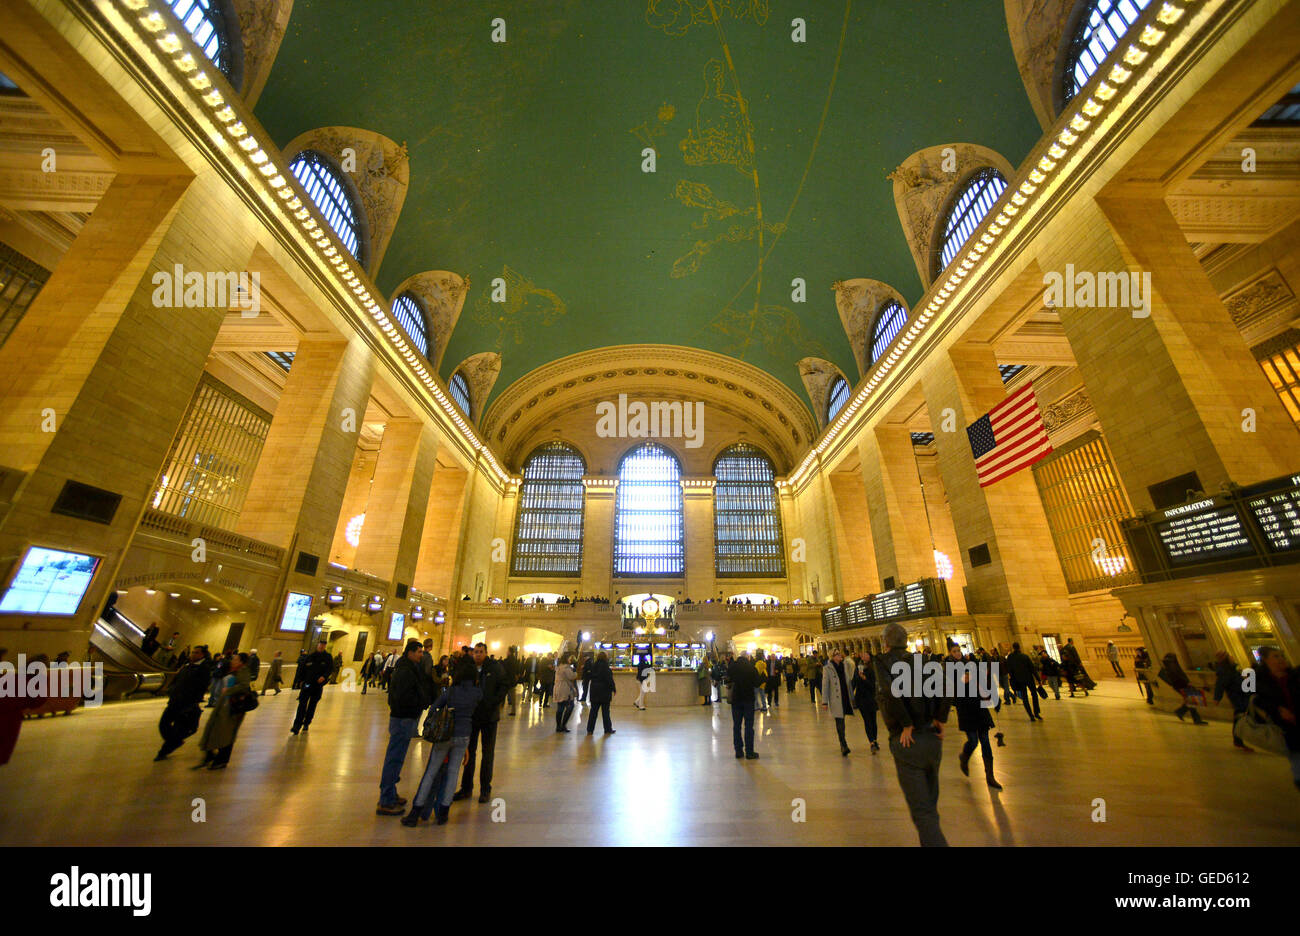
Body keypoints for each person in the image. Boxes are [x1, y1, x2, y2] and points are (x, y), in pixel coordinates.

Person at [876, 621, 950, 847]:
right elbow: (947, 687)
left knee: (922, 812)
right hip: (932, 738)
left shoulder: (884, 662)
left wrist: (907, 724)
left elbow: (890, 693)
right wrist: (941, 718)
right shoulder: (923, 661)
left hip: (908, 742)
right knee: (930, 808)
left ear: (886, 643)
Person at [404, 660, 482, 826]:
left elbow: (434, 708)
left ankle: (416, 811)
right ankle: (443, 812)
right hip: (464, 736)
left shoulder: (452, 692)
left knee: (431, 772)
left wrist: (432, 723)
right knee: (453, 773)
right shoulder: (477, 693)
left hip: (446, 735)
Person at [376, 640, 430, 816]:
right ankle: (385, 800)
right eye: (419, 652)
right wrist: (419, 704)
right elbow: (402, 696)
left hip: (404, 717)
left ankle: (391, 793)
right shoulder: (406, 670)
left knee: (397, 759)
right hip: (403, 718)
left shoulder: (408, 667)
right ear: (410, 652)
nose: (421, 655)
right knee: (394, 759)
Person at [454, 642, 509, 804]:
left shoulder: (494, 667)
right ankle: (466, 788)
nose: (477, 654)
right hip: (471, 717)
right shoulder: (469, 667)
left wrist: (494, 702)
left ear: (486, 653)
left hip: (489, 717)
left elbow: (504, 685)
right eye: (476, 652)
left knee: (487, 753)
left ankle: (485, 789)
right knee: (469, 753)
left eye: (480, 652)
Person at [948, 642, 1001, 790]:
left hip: (978, 705)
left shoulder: (970, 664)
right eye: (954, 651)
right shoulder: (949, 668)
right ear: (950, 653)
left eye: (958, 650)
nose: (957, 653)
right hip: (965, 708)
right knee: (973, 740)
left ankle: (990, 776)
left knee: (985, 740)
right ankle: (964, 756)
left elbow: (980, 682)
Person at [194, 652, 253, 769]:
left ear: (241, 662)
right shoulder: (233, 670)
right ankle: (209, 754)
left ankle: (222, 759)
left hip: (232, 707)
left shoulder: (243, 671)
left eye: (235, 659)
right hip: (223, 704)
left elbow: (244, 686)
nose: (232, 661)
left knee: (226, 733)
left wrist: (228, 690)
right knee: (215, 729)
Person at [1252, 647, 1300, 790]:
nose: (1280, 659)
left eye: (1281, 656)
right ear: (1266, 660)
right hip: (1285, 725)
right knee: (1296, 754)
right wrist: (1277, 709)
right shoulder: (1259, 680)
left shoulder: (1294, 675)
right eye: (1275, 656)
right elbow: (1256, 700)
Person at [155, 647, 211, 760]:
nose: (193, 654)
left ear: (202, 655)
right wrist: (171, 690)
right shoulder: (187, 665)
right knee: (163, 724)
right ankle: (175, 741)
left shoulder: (203, 669)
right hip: (175, 701)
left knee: (178, 728)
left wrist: (193, 699)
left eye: (196, 653)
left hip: (186, 704)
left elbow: (201, 686)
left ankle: (164, 751)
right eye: (193, 652)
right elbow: (177, 680)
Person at [1212, 650, 1252, 752]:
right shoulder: (1225, 670)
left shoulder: (1230, 669)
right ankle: (1238, 740)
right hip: (1237, 696)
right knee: (1239, 717)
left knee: (1240, 717)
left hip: (1241, 695)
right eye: (1229, 656)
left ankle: (1238, 739)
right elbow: (1220, 684)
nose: (1232, 657)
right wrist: (1217, 698)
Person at [291, 640, 333, 735]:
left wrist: (324, 677)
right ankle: (296, 725)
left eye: (323, 645)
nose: (321, 646)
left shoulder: (327, 657)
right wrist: (300, 681)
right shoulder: (310, 657)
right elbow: (302, 669)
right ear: (318, 645)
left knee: (312, 705)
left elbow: (329, 669)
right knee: (302, 704)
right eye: (320, 645)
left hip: (317, 685)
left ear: (325, 646)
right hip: (307, 684)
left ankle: (307, 722)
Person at [821, 648, 856, 756]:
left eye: (839, 653)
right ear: (832, 657)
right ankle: (843, 744)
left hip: (845, 696)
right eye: (837, 654)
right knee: (840, 722)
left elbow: (849, 679)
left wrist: (852, 697)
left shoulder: (845, 665)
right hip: (836, 698)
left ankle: (843, 743)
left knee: (843, 719)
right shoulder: (827, 668)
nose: (840, 655)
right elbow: (825, 685)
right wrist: (824, 702)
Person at [1157, 652, 1207, 725]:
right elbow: (1179, 676)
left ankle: (1183, 713)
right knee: (1192, 701)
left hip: (1179, 685)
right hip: (1182, 685)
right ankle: (1188, 715)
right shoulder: (1172, 666)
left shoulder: (1168, 666)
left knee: (1192, 701)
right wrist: (1187, 682)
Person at [728, 651, 760, 759]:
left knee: (736, 726)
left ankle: (738, 751)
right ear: (748, 657)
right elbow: (757, 683)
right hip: (748, 700)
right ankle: (749, 752)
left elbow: (727, 678)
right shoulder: (751, 668)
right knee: (749, 726)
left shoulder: (733, 667)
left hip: (736, 700)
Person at [852, 651, 880, 753]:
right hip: (861, 699)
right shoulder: (858, 668)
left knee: (873, 721)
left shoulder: (874, 668)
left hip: (872, 698)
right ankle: (871, 742)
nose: (863, 656)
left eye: (865, 655)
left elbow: (874, 685)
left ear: (869, 656)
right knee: (867, 720)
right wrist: (850, 695)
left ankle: (875, 740)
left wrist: (864, 679)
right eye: (862, 655)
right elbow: (854, 682)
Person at [1006, 642, 1042, 722]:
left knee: (1025, 697)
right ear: (1019, 647)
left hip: (1019, 680)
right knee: (1034, 694)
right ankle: (1036, 712)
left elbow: (1009, 669)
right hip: (1029, 678)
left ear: (1013, 648)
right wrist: (1038, 679)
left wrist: (1012, 679)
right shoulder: (1024, 656)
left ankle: (1031, 715)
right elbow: (1032, 668)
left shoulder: (1010, 657)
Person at [586, 651, 616, 735]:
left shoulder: (593, 666)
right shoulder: (606, 667)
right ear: (605, 658)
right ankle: (607, 729)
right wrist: (613, 689)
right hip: (604, 692)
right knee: (605, 712)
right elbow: (609, 679)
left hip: (594, 691)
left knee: (593, 712)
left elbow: (589, 676)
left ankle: (590, 729)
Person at [554, 653, 578, 732]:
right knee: (570, 706)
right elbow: (572, 676)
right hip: (565, 689)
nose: (570, 660)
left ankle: (558, 726)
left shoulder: (559, 667)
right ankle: (563, 725)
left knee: (560, 707)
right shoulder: (566, 668)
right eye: (569, 659)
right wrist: (575, 672)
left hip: (558, 688)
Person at [504, 646, 522, 716]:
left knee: (501, 695)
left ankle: (499, 709)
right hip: (512, 680)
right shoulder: (515, 660)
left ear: (509, 652)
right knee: (513, 697)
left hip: (507, 680)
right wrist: (516, 676)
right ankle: (513, 711)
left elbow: (505, 670)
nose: (506, 652)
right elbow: (518, 669)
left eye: (507, 651)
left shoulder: (507, 660)